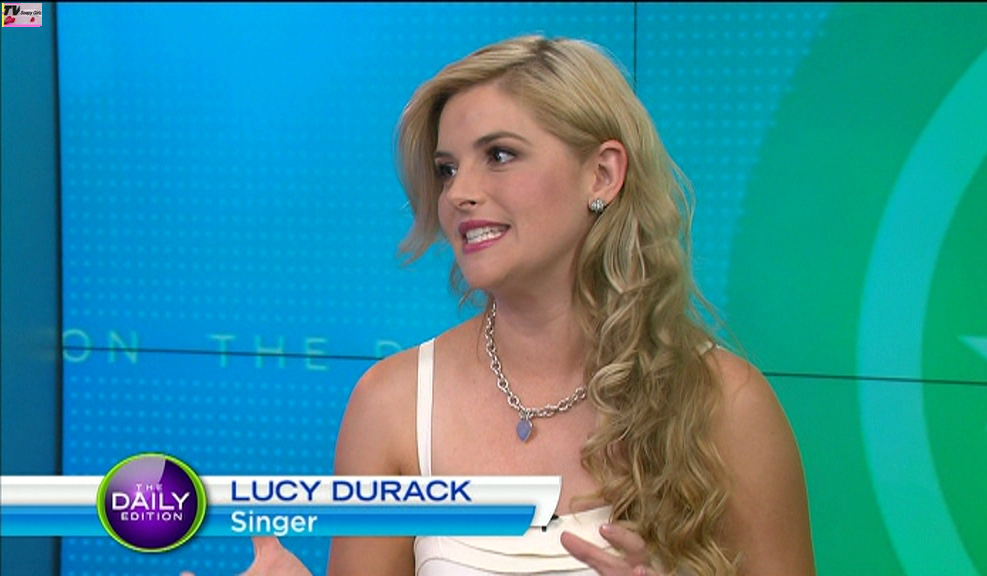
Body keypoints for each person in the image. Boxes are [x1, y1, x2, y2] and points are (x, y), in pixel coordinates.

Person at [199, 34, 815, 575]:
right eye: (447, 169)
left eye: (499, 155)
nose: (459, 194)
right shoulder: (391, 405)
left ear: (602, 175)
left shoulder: (727, 405)